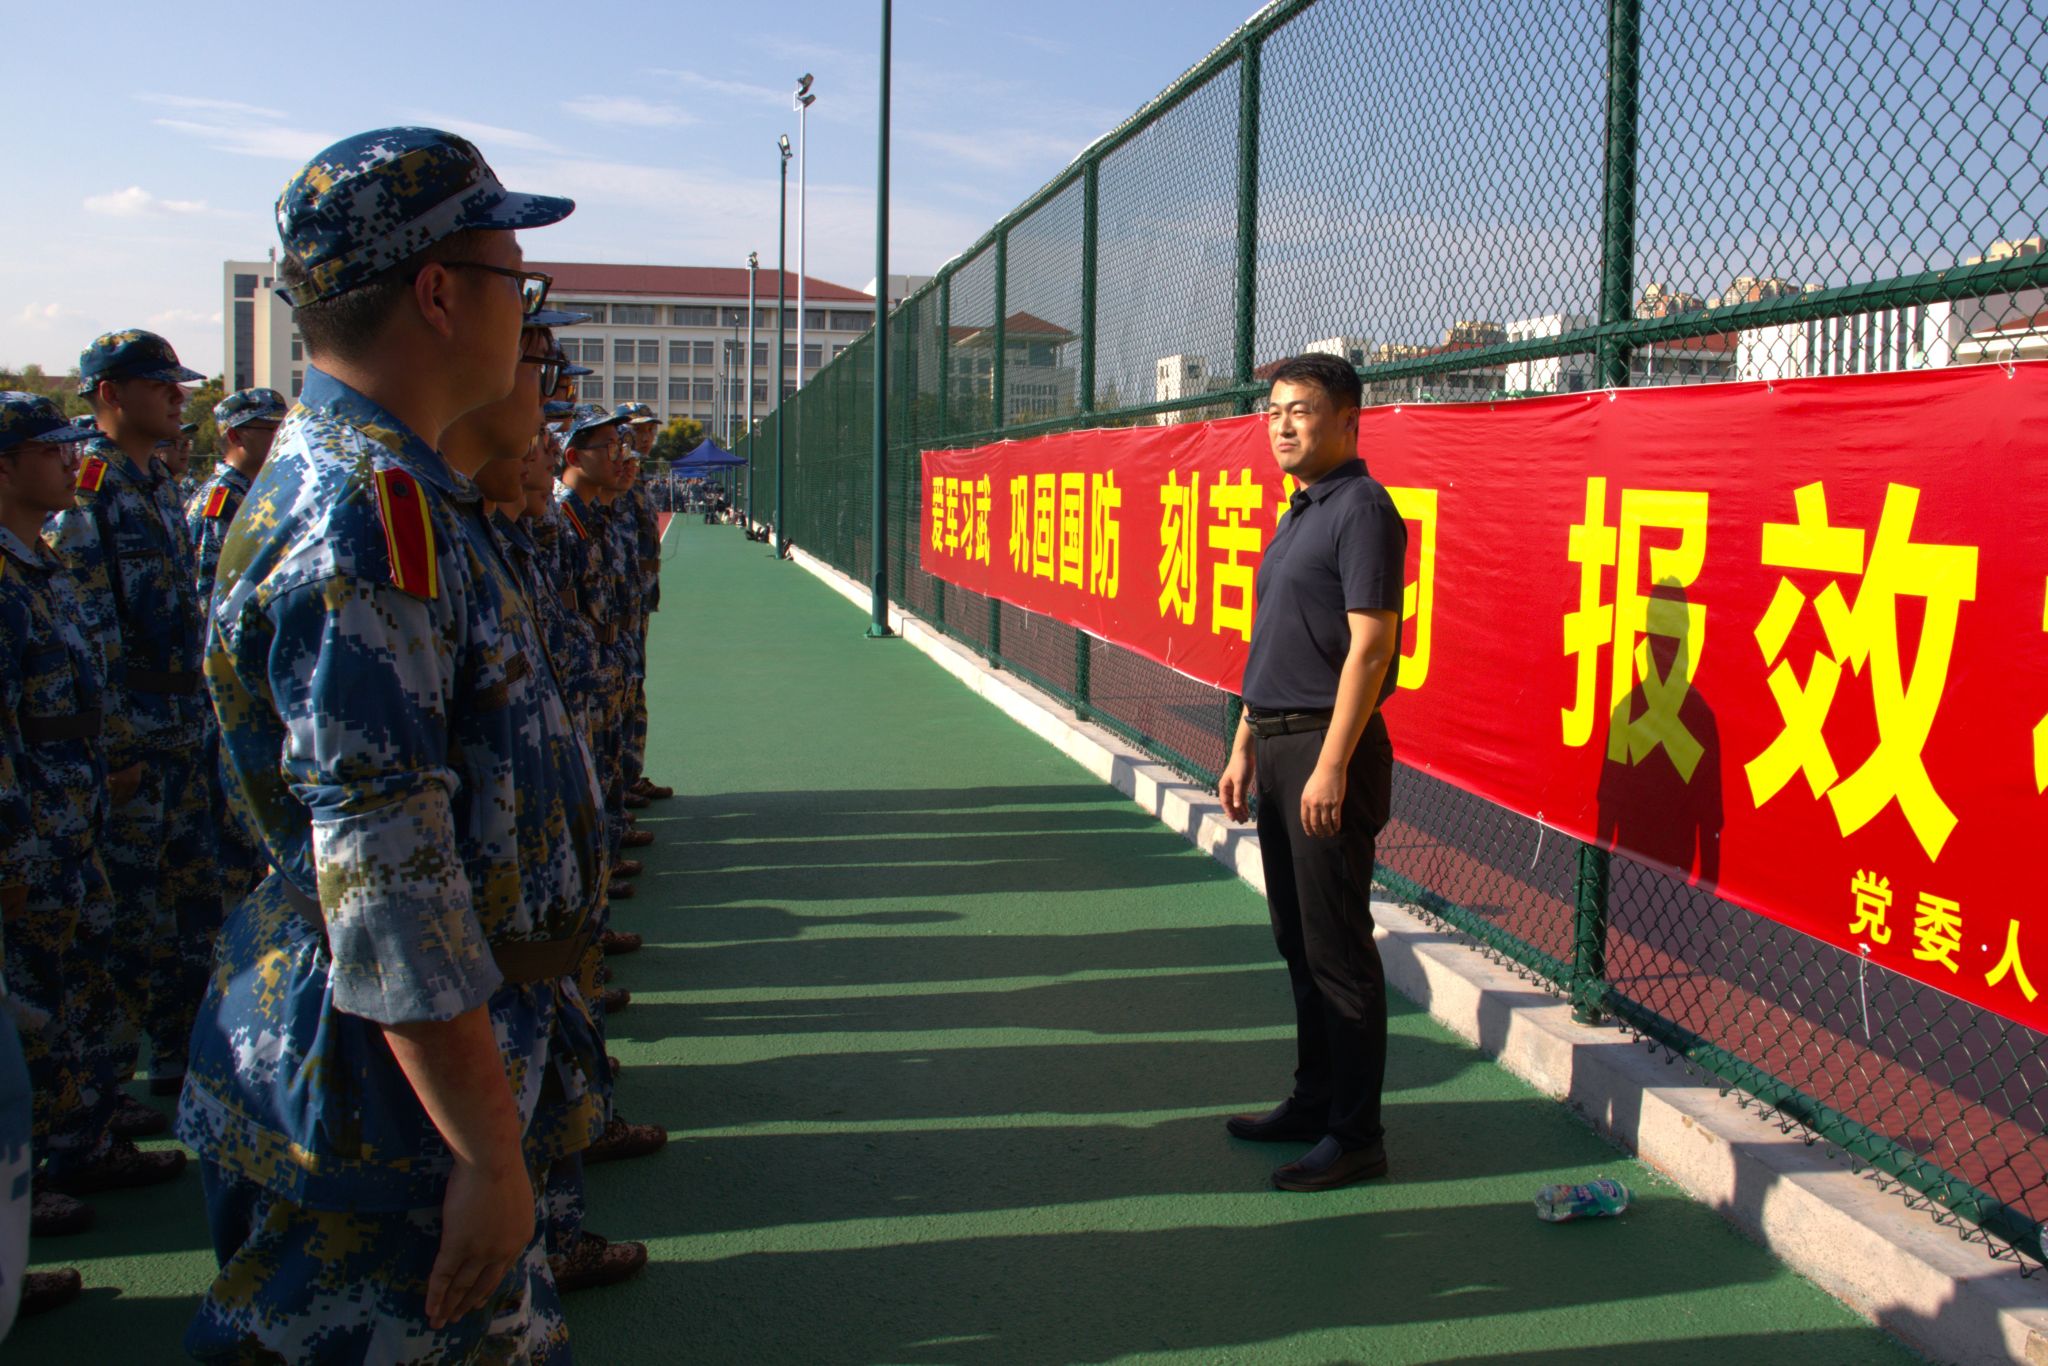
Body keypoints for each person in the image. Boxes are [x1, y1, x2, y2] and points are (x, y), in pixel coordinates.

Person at [177, 125, 603, 1361]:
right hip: (391, 1095)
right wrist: (483, 1149)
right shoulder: (363, 512)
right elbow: (386, 872)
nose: (524, 312)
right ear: (436, 292)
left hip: (415, 1063)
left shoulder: (392, 488)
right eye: (514, 279)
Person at [1216, 352, 1406, 1193]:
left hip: (1330, 752)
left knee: (1338, 952)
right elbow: (1277, 642)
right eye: (1274, 411)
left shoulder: (1361, 509)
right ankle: (1314, 1101)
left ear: (1348, 420)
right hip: (1279, 745)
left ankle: (1357, 1136)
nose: (1283, 425)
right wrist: (1243, 742)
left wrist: (1331, 764)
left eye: (1301, 410)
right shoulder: (1301, 510)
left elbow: (1372, 646)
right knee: (1298, 941)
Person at [46, 329, 218, 1110]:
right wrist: (116, 745)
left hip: (180, 726)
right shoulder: (90, 488)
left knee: (189, 908)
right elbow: (91, 631)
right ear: (110, 393)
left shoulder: (150, 479)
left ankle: (181, 1062)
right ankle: (104, 1102)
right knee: (127, 923)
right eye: (160, 385)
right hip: (135, 740)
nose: (178, 398)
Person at [0, 392, 137, 1323]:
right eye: (50, 451)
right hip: (28, 838)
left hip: (69, 819)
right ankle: (34, 1183)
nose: (67, 463)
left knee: (76, 981)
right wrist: (12, 853)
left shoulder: (38, 564)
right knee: (29, 1008)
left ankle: (75, 1142)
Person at [186, 387, 287, 906]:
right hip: (224, 692)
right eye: (268, 430)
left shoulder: (260, 494)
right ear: (234, 436)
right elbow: (212, 608)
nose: (279, 438)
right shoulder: (222, 502)